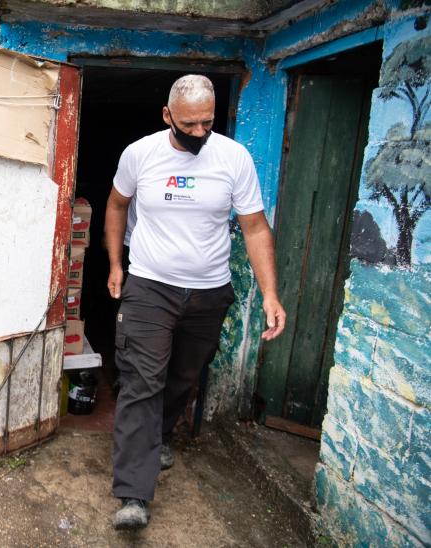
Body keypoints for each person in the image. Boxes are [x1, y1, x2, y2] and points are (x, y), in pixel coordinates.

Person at [104, 74, 286, 530]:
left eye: (207, 122)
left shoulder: (234, 158)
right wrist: (115, 264)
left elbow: (256, 228)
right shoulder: (140, 155)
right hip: (149, 286)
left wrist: (270, 294)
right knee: (141, 381)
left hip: (208, 291)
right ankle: (134, 494)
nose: (201, 132)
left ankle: (161, 435)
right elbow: (116, 205)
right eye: (190, 125)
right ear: (168, 116)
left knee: (183, 376)